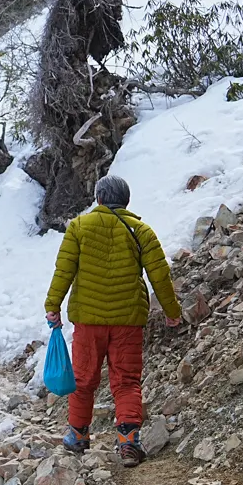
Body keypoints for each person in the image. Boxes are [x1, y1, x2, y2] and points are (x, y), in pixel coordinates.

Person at [44, 174, 182, 465]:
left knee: (83, 381)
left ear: (100, 199)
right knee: (127, 381)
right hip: (128, 320)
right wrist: (172, 312)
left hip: (89, 321)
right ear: (126, 200)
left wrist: (52, 305)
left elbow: (64, 270)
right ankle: (129, 442)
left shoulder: (80, 227)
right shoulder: (141, 230)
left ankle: (78, 436)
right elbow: (160, 276)